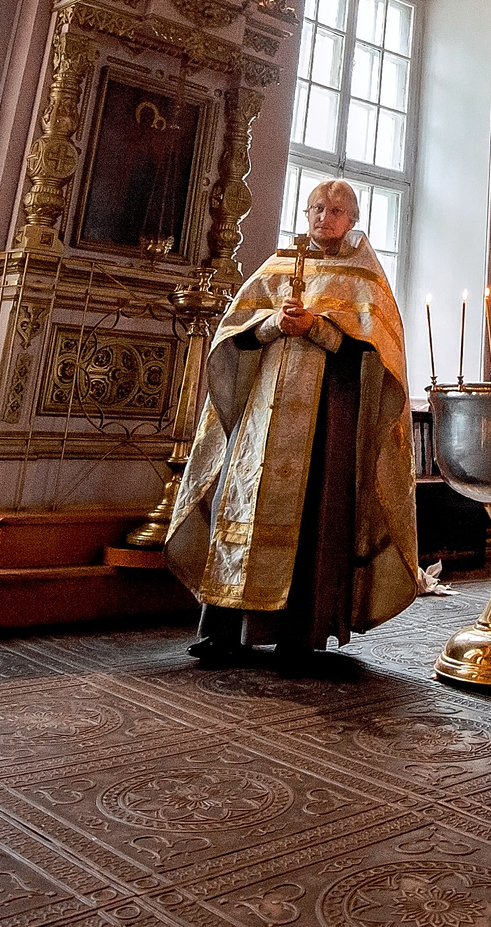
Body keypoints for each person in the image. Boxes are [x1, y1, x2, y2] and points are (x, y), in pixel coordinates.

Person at [166, 180, 420, 661]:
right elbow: (234, 334)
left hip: (328, 416)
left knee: (314, 513)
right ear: (306, 213)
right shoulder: (278, 265)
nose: (326, 216)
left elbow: (375, 356)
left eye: (337, 209)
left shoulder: (363, 278)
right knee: (241, 503)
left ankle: (299, 634)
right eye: (318, 207)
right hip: (262, 416)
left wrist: (317, 329)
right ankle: (224, 627)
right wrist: (269, 326)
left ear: (353, 219)